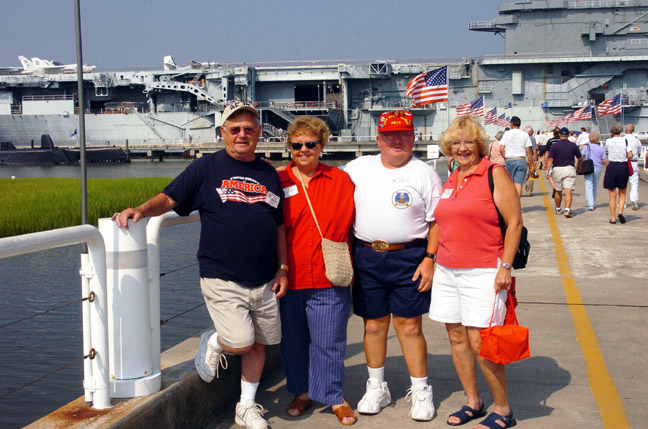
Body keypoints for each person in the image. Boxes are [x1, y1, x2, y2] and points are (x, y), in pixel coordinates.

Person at [113, 101, 288, 429]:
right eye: (234, 129)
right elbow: (171, 198)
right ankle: (214, 341)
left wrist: (283, 268)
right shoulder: (207, 167)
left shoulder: (269, 173)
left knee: (260, 344)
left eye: (248, 129)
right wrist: (141, 210)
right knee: (241, 342)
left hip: (265, 277)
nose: (242, 134)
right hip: (221, 274)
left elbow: (278, 226)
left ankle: (246, 407)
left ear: (258, 133)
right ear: (223, 132)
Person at [343, 110, 442, 422]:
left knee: (409, 326)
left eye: (404, 134)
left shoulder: (425, 174)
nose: (396, 140)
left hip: (409, 257)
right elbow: (323, 182)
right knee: (373, 325)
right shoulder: (357, 168)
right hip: (367, 256)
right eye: (389, 135)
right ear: (378, 139)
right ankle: (376, 387)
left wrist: (430, 259)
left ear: (413, 138)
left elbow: (437, 221)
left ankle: (421, 390)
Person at [429, 115, 522, 429]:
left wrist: (505, 267)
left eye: (469, 142)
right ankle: (473, 402)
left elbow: (514, 223)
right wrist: (431, 259)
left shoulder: (494, 173)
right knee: (456, 338)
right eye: (456, 143)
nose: (462, 148)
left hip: (484, 271)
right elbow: (441, 222)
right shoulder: (452, 175)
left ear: (480, 144)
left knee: (481, 342)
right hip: (447, 270)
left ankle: (503, 409)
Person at [278, 116, 357, 426]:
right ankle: (302, 392)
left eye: (310, 144)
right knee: (293, 341)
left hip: (329, 274)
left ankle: (334, 395)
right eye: (296, 145)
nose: (303, 150)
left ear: (322, 146)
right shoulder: (278, 180)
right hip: (289, 275)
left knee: (330, 341)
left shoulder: (341, 180)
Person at [545, 127, 583, 218]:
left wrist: (547, 170)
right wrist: (578, 166)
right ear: (568, 135)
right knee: (568, 191)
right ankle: (567, 209)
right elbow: (580, 158)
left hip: (557, 169)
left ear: (559, 134)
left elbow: (550, 159)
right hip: (569, 168)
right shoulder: (573, 145)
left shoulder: (554, 146)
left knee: (558, 190)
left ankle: (558, 208)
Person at [604, 122, 633, 224]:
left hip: (612, 166)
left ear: (611, 131)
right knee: (622, 192)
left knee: (612, 194)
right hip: (622, 166)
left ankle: (612, 218)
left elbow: (606, 151)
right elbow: (630, 155)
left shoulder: (608, 141)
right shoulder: (625, 141)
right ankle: (620, 212)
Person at [498, 116, 534, 197]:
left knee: (509, 182)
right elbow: (528, 151)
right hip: (521, 159)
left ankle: (510, 201)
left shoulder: (507, 134)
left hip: (509, 159)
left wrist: (505, 157)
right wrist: (531, 164)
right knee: (519, 183)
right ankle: (517, 202)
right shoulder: (525, 134)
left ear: (511, 124)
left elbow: (501, 149)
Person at [581, 131, 608, 211]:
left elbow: (582, 157)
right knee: (595, 185)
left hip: (588, 168)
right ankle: (592, 201)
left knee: (588, 185)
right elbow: (604, 160)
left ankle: (590, 204)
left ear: (589, 138)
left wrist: (579, 165)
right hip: (597, 168)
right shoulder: (601, 148)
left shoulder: (586, 147)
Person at [625, 124, 642, 210]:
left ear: (625, 130)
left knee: (623, 183)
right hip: (634, 162)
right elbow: (639, 153)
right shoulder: (637, 140)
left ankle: (623, 202)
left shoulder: (622, 139)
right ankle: (634, 200)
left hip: (624, 162)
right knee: (634, 182)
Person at [544, 127, 561, 197]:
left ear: (553, 133)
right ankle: (557, 188)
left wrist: (545, 162)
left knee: (549, 176)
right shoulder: (562, 141)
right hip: (561, 160)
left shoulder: (550, 141)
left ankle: (554, 187)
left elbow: (547, 152)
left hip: (552, 160)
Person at [523, 126, 538, 197]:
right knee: (530, 174)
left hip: (521, 157)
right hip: (529, 157)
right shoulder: (532, 139)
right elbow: (534, 150)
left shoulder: (521, 138)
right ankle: (528, 192)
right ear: (530, 132)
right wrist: (536, 160)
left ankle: (518, 190)